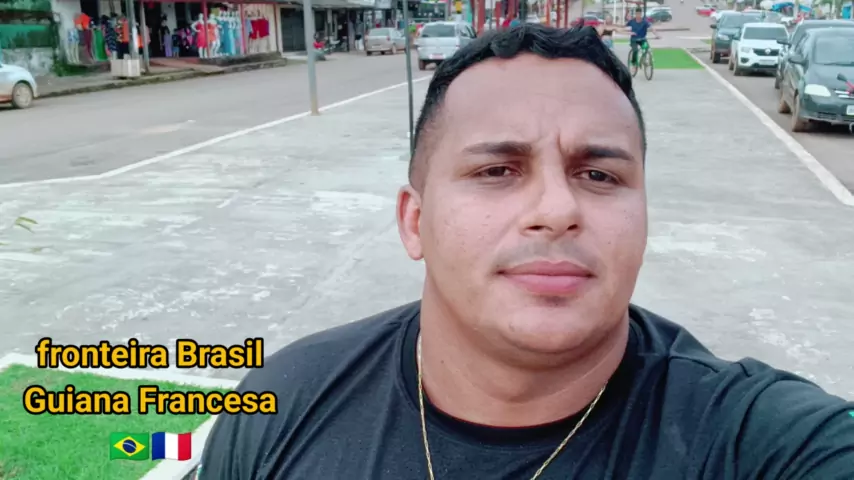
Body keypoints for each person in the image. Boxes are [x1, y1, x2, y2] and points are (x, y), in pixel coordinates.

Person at [196, 24, 854, 479]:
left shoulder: (752, 441)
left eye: (599, 175)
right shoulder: (286, 401)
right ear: (414, 222)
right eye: (497, 171)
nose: (557, 210)